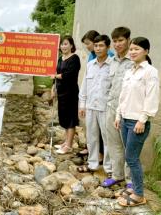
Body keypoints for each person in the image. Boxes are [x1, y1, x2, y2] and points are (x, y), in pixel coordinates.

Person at [115, 37, 159, 207]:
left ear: (146, 51)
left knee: (132, 158)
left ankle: (139, 194)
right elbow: (123, 96)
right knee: (130, 156)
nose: (132, 52)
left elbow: (152, 97)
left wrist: (143, 119)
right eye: (131, 49)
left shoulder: (150, 72)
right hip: (125, 119)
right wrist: (118, 116)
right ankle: (134, 188)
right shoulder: (129, 71)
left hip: (137, 122)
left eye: (137, 49)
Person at [102, 27, 133, 188]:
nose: (117, 44)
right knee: (113, 143)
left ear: (128, 40)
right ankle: (117, 175)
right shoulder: (112, 61)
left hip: (127, 111)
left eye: (120, 40)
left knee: (128, 146)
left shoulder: (135, 60)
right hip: (111, 107)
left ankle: (130, 180)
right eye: (115, 41)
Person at [78, 35, 112, 174]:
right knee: (91, 137)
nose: (98, 48)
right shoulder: (90, 65)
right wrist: (82, 105)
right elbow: (84, 86)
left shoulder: (113, 65)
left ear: (108, 47)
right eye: (96, 45)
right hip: (91, 106)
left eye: (101, 46)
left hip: (106, 108)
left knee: (107, 139)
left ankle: (109, 168)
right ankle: (92, 164)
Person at [51, 35, 81, 154]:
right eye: (62, 44)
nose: (64, 46)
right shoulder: (60, 58)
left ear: (71, 45)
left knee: (70, 119)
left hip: (71, 93)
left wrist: (56, 76)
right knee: (63, 118)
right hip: (61, 92)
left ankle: (68, 146)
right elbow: (56, 74)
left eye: (66, 44)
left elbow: (70, 75)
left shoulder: (75, 58)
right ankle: (65, 142)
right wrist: (53, 88)